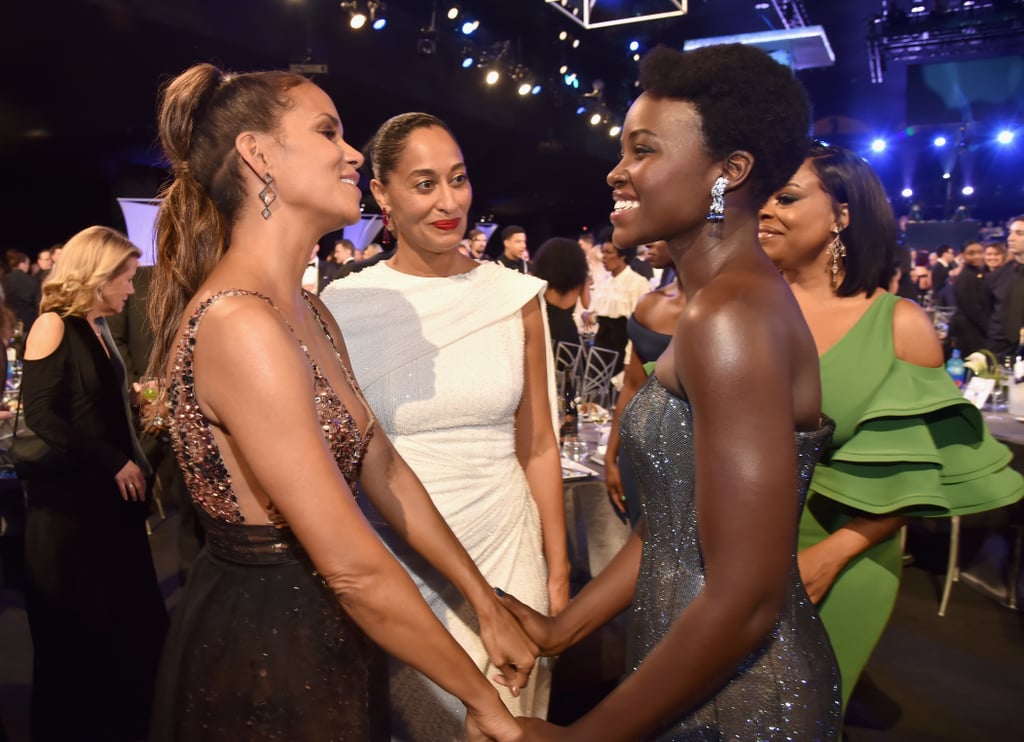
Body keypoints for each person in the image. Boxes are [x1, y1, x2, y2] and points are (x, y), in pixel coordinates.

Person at [144, 64, 530, 741]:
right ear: (258, 156)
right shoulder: (242, 327)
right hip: (265, 643)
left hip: (321, 628)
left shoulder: (310, 313)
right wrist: (482, 701)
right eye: (328, 131)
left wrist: (483, 601)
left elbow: (382, 467)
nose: (353, 153)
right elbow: (351, 566)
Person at [498, 44, 841, 740]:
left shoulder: (731, 316)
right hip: (690, 664)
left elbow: (746, 597)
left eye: (644, 150)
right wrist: (565, 629)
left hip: (738, 696)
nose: (616, 171)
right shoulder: (722, 302)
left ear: (729, 173)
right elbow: (677, 524)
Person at [322, 111, 567, 740]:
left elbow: (539, 445)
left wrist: (558, 573)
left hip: (508, 557)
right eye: (424, 183)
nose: (449, 201)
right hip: (395, 561)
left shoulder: (515, 296)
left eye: (457, 180)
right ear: (382, 193)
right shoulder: (343, 307)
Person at [758, 141, 1023, 714]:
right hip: (734, 552)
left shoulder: (899, 324)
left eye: (786, 196)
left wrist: (828, 557)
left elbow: (919, 474)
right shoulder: (742, 308)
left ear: (843, 215)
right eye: (761, 196)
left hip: (839, 558)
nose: (764, 210)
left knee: (797, 718)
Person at [20, 225, 168, 741]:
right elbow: (42, 415)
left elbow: (89, 402)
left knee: (127, 620)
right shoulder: (53, 325)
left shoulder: (98, 327)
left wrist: (130, 402)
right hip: (74, 508)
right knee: (87, 630)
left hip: (109, 500)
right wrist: (113, 460)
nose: (131, 289)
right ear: (97, 277)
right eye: (124, 279)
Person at [603, 240, 685, 528]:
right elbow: (632, 386)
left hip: (699, 469)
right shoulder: (650, 303)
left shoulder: (739, 306)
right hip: (637, 460)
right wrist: (611, 456)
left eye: (662, 233)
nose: (649, 240)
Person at [582, 231, 652, 377]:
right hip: (600, 346)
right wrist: (588, 314)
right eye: (602, 252)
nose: (604, 257)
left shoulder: (637, 283)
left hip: (622, 347)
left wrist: (629, 360)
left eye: (609, 252)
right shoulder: (604, 280)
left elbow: (638, 327)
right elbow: (598, 313)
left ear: (623, 255)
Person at [529, 236, 590, 354]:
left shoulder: (542, 282)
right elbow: (587, 304)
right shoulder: (580, 282)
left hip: (547, 331)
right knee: (570, 369)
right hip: (570, 334)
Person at [948, 240, 990, 357]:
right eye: (971, 253)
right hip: (969, 330)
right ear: (962, 255)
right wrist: (988, 329)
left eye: (980, 252)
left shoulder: (976, 273)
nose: (977, 256)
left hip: (973, 327)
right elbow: (972, 309)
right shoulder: (967, 277)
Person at [2, 250, 41, 330]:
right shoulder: (33, 280)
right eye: (27, 263)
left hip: (8, 324)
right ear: (22, 264)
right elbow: (38, 303)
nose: (28, 266)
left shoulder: (4, 280)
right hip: (28, 323)